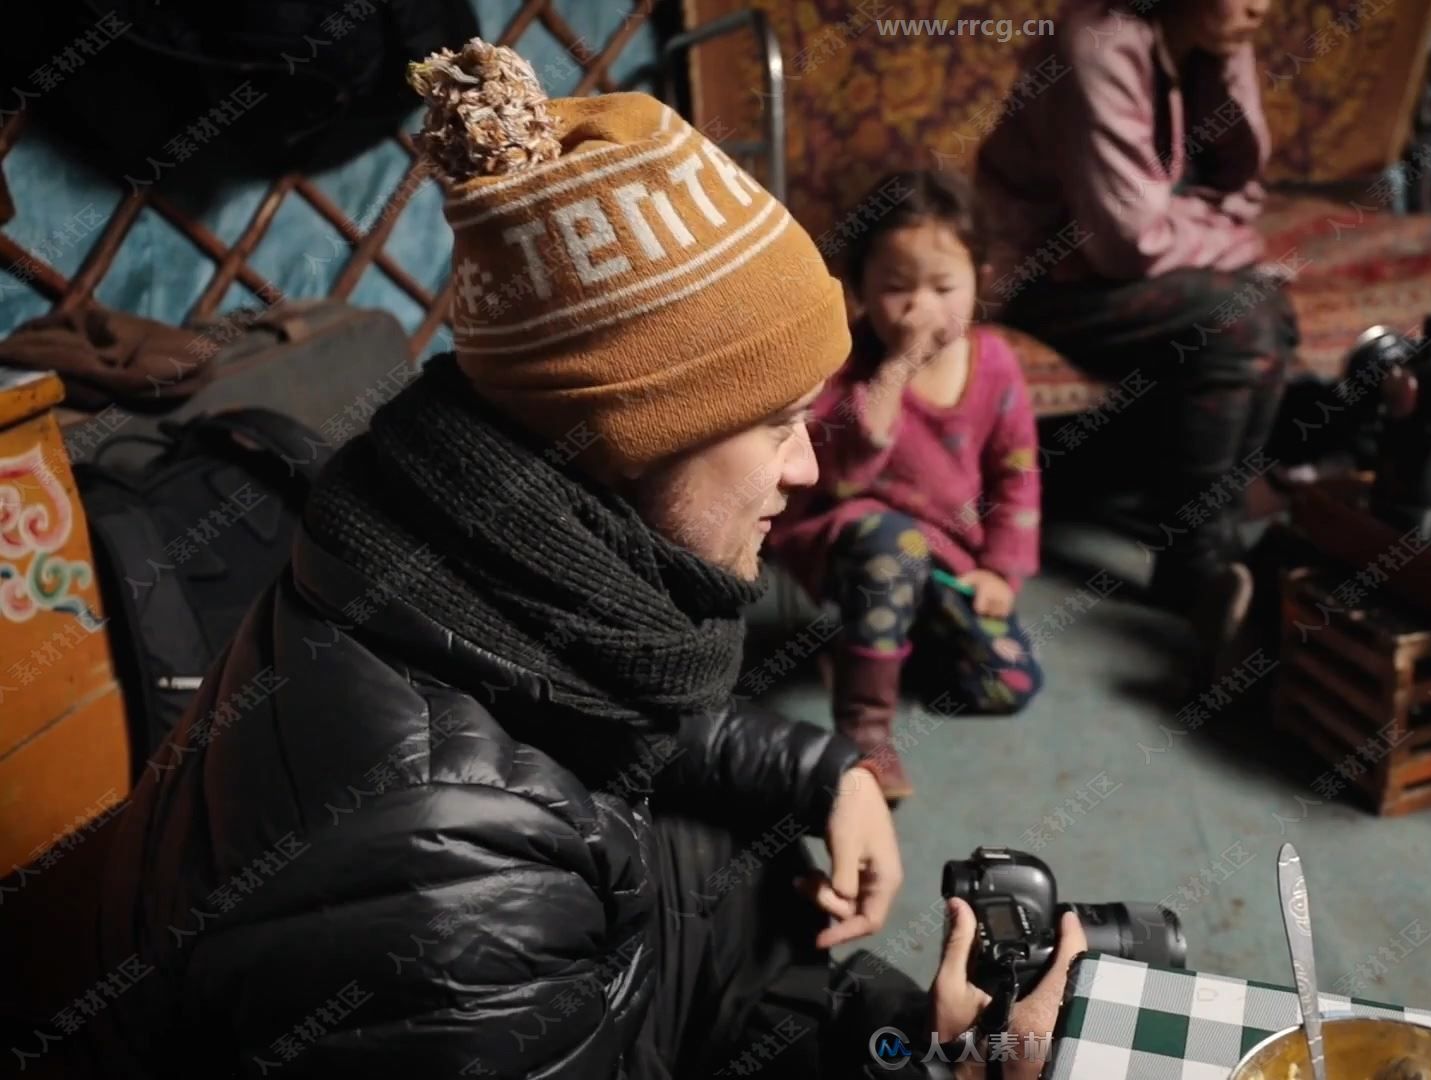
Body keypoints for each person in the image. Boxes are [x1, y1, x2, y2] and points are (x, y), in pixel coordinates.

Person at [87, 41, 1080, 1080]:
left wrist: (824, 772)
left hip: (624, 968)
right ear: (629, 438)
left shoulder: (468, 556)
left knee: (758, 860)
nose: (805, 466)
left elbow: (593, 718)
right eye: (780, 423)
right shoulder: (449, 881)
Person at [975, 0, 1296, 667]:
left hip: (1118, 269)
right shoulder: (1099, 41)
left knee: (1266, 307)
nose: (1261, 4)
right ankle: (1195, 566)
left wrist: (1227, 58)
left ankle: (1218, 530)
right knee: (1239, 317)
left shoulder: (1206, 37)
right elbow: (1127, 244)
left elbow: (1241, 189)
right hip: (1045, 273)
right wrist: (1222, 234)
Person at [770, 170, 1044, 804]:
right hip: (854, 539)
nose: (920, 307)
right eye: (896, 288)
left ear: (979, 278)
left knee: (1008, 684)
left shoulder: (995, 363)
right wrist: (896, 370)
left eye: (944, 287)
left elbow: (1017, 475)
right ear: (862, 287)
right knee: (892, 547)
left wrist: (1001, 570)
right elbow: (836, 473)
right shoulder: (847, 361)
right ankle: (866, 734)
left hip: (949, 556)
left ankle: (869, 646)